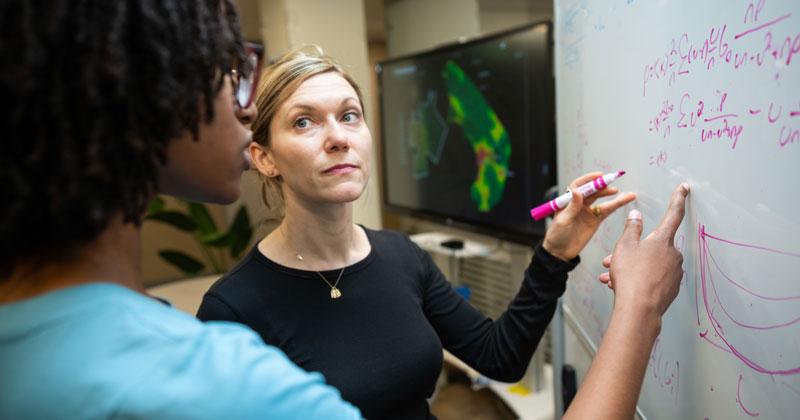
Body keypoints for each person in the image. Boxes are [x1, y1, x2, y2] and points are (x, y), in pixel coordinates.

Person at [196, 46, 690, 419]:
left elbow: (500, 357)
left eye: (349, 115)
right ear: (264, 157)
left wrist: (555, 253)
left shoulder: (399, 255)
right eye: (304, 122)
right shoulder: (233, 309)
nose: (337, 137)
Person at [0, 3, 361, 419]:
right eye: (231, 75)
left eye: (351, 115)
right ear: (147, 86)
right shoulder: (237, 389)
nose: (249, 108)